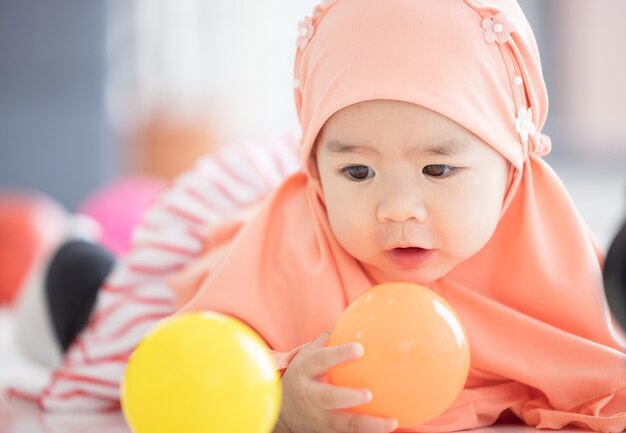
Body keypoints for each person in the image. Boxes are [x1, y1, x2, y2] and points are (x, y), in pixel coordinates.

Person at [169, 1, 626, 432]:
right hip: (229, 196)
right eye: (357, 171)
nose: (397, 207)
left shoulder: (550, 248)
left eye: (438, 169)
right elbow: (195, 374)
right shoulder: (286, 246)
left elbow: (605, 376)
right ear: (318, 176)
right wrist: (279, 405)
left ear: (511, 166)